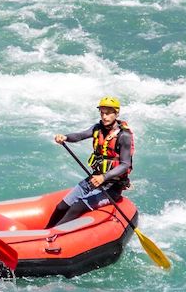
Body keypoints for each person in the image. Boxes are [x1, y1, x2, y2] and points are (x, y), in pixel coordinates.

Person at [46, 96, 134, 227]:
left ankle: (51, 237)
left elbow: (125, 164)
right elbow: (80, 135)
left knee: (77, 207)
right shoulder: (97, 128)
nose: (104, 117)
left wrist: (103, 177)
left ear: (116, 113)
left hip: (112, 187)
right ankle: (45, 231)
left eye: (108, 113)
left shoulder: (124, 136)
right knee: (61, 207)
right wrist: (65, 137)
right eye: (102, 113)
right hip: (93, 180)